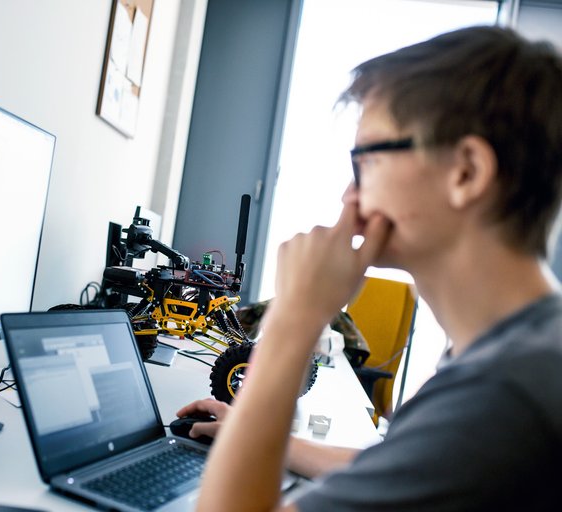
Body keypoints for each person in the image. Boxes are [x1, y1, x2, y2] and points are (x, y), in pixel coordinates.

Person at [177, 25, 562, 511]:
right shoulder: (530, 348)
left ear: (466, 172)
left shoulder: (505, 396)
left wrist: (295, 318)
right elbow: (417, 465)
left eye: (366, 161)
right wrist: (251, 430)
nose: (348, 196)